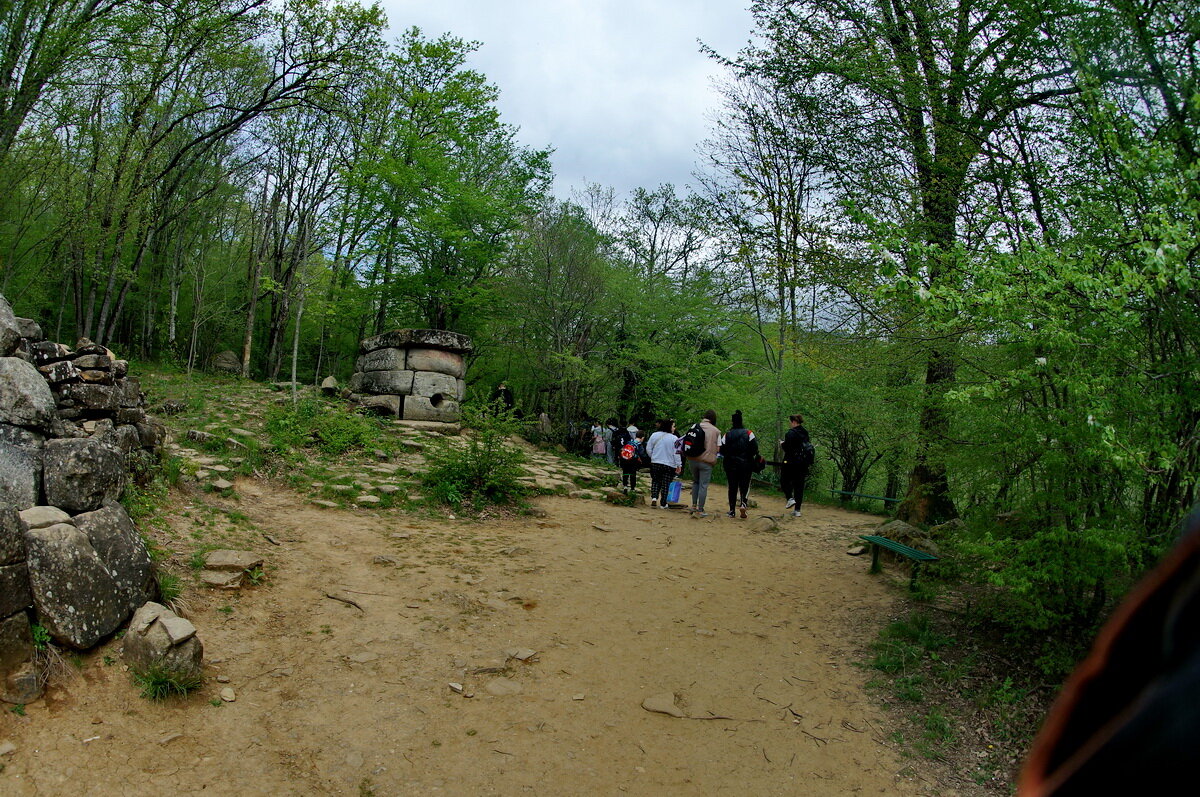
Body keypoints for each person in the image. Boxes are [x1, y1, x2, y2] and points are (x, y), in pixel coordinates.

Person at [720, 410, 759, 518]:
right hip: (746, 464)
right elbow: (755, 448)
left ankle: (732, 510)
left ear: (732, 422)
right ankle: (743, 504)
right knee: (745, 485)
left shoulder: (727, 434)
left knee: (732, 486)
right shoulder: (749, 433)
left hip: (730, 464)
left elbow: (722, 450)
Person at [685, 410, 721, 518]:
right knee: (703, 485)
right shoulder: (716, 431)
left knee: (695, 482)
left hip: (692, 459)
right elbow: (719, 448)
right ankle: (700, 510)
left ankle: (694, 506)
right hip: (706, 461)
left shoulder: (695, 426)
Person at [780, 414, 812, 517]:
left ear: (794, 422)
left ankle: (790, 498)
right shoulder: (805, 432)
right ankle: (797, 510)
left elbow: (788, 448)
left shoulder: (790, 433)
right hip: (803, 463)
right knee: (799, 486)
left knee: (784, 480)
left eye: (790, 421)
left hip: (791, 462)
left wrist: (782, 444)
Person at [646, 418, 681, 508]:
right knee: (666, 483)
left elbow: (648, 448)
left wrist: (653, 456)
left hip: (655, 462)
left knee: (655, 481)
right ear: (669, 427)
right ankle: (663, 503)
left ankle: (654, 498)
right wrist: (679, 465)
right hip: (669, 464)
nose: (674, 428)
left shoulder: (654, 435)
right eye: (673, 426)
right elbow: (676, 453)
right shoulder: (674, 439)